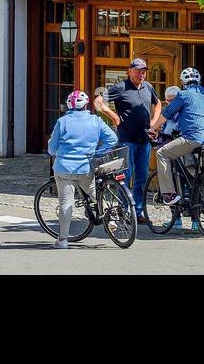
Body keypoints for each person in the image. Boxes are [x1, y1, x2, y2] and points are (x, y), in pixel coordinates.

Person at [47, 90, 118, 249]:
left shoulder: (62, 122)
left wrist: (56, 152)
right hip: (86, 167)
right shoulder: (95, 120)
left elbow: (52, 148)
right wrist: (98, 152)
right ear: (86, 105)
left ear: (68, 106)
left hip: (64, 168)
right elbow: (113, 139)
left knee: (66, 202)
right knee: (94, 194)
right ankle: (111, 219)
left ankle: (63, 240)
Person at [94, 57, 161, 222]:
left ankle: (138, 212)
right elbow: (98, 102)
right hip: (127, 140)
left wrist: (154, 123)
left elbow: (158, 104)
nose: (141, 74)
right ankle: (125, 211)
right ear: (130, 71)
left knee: (141, 178)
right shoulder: (121, 87)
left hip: (144, 140)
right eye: (138, 71)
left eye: (143, 71)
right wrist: (114, 116)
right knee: (125, 176)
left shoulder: (148, 87)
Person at [149, 67, 204, 206]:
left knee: (162, 153)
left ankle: (169, 194)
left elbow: (167, 113)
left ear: (182, 82)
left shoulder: (183, 94)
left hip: (193, 137)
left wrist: (153, 128)